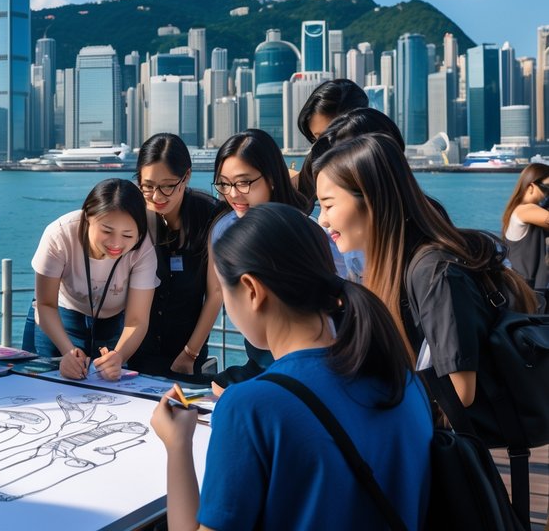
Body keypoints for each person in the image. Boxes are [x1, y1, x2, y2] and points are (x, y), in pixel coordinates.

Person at [152, 203, 432, 531]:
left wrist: (178, 445)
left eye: (225, 293)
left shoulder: (250, 407)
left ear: (252, 291)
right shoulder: (404, 381)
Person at [315, 134, 537, 419]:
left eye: (329, 204)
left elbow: (460, 391)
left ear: (370, 199)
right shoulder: (398, 265)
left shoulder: (434, 272)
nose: (322, 219)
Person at [206, 129, 327, 393]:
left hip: (303, 371)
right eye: (224, 184)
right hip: (257, 363)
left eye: (244, 182)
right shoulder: (225, 228)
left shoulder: (306, 232)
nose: (234, 194)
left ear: (272, 179)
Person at [22, 179, 157, 381]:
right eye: (107, 231)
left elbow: (137, 320)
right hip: (59, 315)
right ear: (87, 217)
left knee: (106, 384)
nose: (116, 244)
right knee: (44, 384)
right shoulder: (59, 234)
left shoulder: (144, 248)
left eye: (128, 235)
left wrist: (118, 357)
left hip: (112, 321)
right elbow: (45, 304)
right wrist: (67, 353)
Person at [128, 134, 222, 377]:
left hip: (189, 350)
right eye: (147, 186)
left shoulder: (209, 215)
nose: (158, 197)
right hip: (138, 348)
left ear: (187, 176)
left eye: (168, 186)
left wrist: (189, 354)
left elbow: (216, 294)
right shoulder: (133, 214)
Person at [291, 79, 368, 199]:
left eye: (333, 138)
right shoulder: (318, 156)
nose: (326, 149)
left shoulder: (377, 166)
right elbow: (296, 189)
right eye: (317, 138)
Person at [500, 163, 549, 298]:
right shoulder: (524, 210)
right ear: (531, 186)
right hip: (526, 292)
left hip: (530, 290)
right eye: (547, 188)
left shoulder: (525, 211)